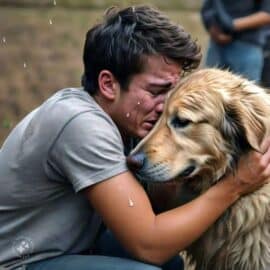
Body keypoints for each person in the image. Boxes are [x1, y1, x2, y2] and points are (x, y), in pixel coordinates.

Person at [0, 5, 270, 270]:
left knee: (171, 263)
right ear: (108, 85)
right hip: (18, 262)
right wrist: (235, 185)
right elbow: (149, 244)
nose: (165, 104)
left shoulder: (128, 120)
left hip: (69, 247)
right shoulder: (81, 125)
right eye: (156, 90)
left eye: (171, 90)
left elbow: (155, 205)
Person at [201, 0, 270, 83]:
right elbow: (207, 8)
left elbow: (267, 14)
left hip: (247, 47)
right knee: (209, 88)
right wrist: (213, 29)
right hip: (217, 46)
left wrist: (231, 26)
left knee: (246, 92)